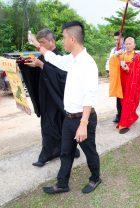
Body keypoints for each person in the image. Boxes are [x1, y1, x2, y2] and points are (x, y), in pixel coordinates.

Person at [29, 21, 101, 194]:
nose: (62, 41)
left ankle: (95, 178)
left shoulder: (88, 64)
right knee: (66, 152)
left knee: (89, 151)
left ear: (73, 39)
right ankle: (62, 184)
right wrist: (37, 45)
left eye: (64, 37)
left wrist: (83, 124)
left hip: (83, 119)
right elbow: (55, 59)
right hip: (69, 118)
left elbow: (89, 96)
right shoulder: (72, 59)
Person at [20, 28, 80, 167]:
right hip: (46, 99)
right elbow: (35, 71)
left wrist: (41, 65)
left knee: (63, 127)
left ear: (52, 41)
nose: (40, 46)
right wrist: (23, 65)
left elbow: (62, 78)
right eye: (38, 43)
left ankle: (70, 150)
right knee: (48, 127)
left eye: (42, 43)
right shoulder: (42, 57)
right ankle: (48, 153)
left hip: (59, 100)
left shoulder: (61, 57)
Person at [109, 37, 140, 134]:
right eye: (126, 44)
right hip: (122, 84)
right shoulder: (122, 55)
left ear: (134, 45)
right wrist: (115, 55)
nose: (128, 45)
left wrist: (129, 70)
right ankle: (130, 117)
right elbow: (112, 62)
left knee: (128, 103)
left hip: (132, 85)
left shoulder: (137, 57)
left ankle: (124, 124)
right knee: (123, 104)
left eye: (130, 44)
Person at [108, 32, 125, 123]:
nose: (116, 41)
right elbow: (110, 60)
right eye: (115, 40)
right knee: (118, 97)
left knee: (126, 98)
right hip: (117, 77)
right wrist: (115, 55)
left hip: (125, 76)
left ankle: (125, 115)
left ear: (122, 39)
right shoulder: (114, 50)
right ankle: (119, 115)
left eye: (118, 39)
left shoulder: (127, 48)